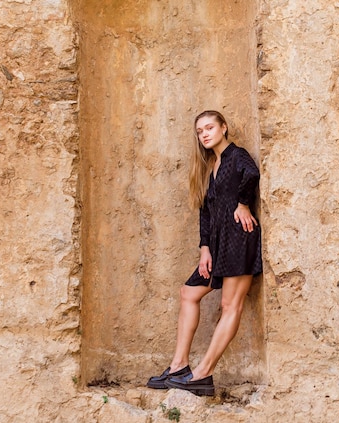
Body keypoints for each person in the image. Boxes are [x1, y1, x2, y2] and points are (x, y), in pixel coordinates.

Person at [146, 110, 262, 396]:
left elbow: (253, 173)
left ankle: (203, 373)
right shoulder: (211, 165)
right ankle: (179, 366)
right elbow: (206, 213)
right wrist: (204, 250)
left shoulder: (237, 156)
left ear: (224, 128)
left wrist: (243, 204)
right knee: (189, 292)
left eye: (210, 128)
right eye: (200, 131)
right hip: (219, 245)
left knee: (229, 305)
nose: (205, 134)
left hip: (239, 238)